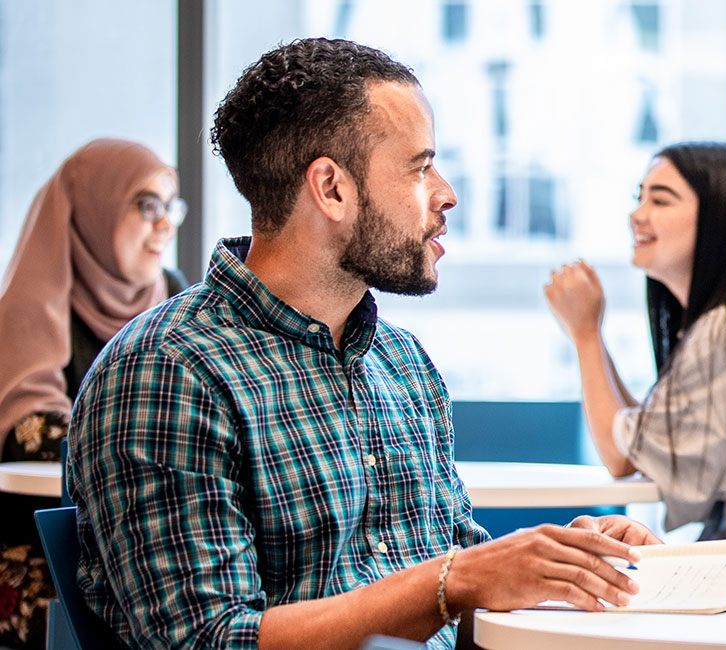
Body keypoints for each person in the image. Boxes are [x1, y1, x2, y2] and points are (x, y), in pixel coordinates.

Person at [65, 38, 660, 650]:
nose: (447, 193)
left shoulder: (401, 364)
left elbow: (457, 592)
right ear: (332, 188)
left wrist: (568, 564)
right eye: (419, 167)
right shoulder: (167, 371)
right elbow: (208, 640)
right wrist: (454, 582)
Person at [544, 142, 726, 579]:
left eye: (660, 200)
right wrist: (591, 331)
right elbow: (640, 437)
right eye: (639, 197)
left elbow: (621, 458)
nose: (637, 215)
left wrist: (584, 333)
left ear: (719, 218)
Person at [0, 138, 182, 648]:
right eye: (147, 205)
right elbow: (27, 433)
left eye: (172, 207)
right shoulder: (32, 302)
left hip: (150, 536)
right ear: (93, 212)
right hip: (47, 553)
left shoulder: (171, 292)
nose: (165, 223)